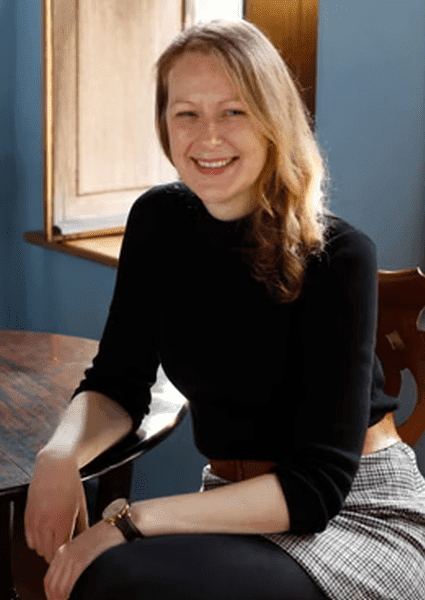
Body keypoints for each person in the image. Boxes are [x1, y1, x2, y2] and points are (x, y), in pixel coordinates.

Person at [25, 19, 425, 600]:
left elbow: (316, 489)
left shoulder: (339, 256)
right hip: (234, 503)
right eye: (186, 113)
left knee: (116, 577)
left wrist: (127, 522)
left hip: (356, 510)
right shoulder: (157, 222)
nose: (207, 136)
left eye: (234, 111)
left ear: (273, 121)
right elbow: (117, 385)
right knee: (110, 577)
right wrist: (59, 455)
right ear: (164, 124)